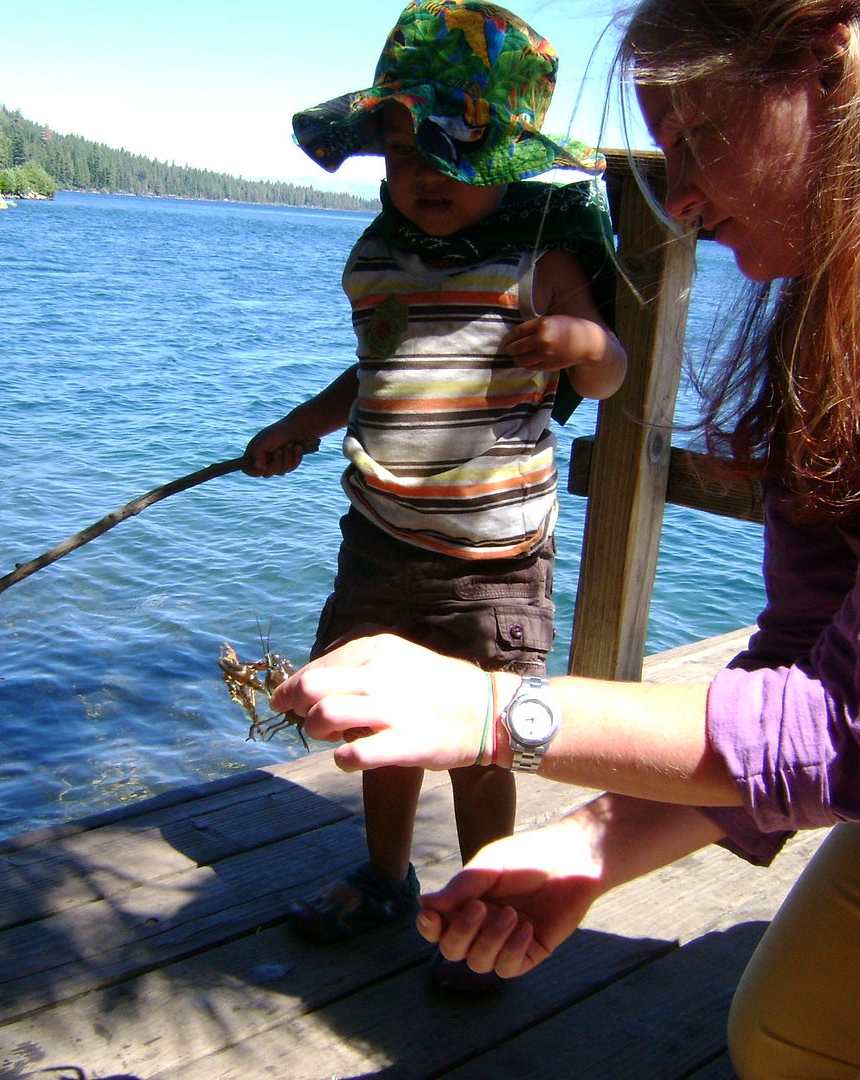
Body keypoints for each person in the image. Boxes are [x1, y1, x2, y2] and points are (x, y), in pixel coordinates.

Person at [269, 0, 860, 1072]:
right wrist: (589, 846)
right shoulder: (847, 272)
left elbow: (859, 733)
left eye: (697, 140)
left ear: (829, 66)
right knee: (778, 1042)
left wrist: (496, 709)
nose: (680, 199)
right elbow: (803, 653)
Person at [244, 0, 627, 988]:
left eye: (454, 152)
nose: (423, 176)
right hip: (380, 538)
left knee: (484, 736)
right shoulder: (381, 264)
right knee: (381, 725)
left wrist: (583, 346)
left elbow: (610, 370)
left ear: (505, 160)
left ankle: (486, 895)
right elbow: (369, 377)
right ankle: (384, 878)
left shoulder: (537, 254)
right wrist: (298, 427)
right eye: (404, 152)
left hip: (494, 562)